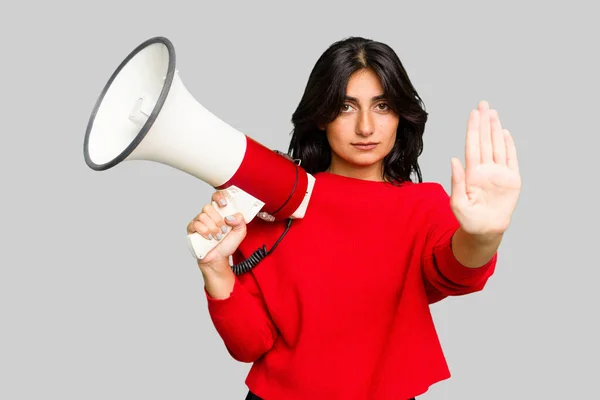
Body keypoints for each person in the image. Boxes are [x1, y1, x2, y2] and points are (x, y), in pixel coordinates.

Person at [186, 37, 521, 400]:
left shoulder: (424, 205)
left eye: (382, 106)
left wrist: (485, 236)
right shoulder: (273, 204)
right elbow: (249, 345)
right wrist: (216, 270)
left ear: (400, 117)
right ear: (321, 117)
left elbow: (455, 270)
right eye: (346, 107)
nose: (365, 127)